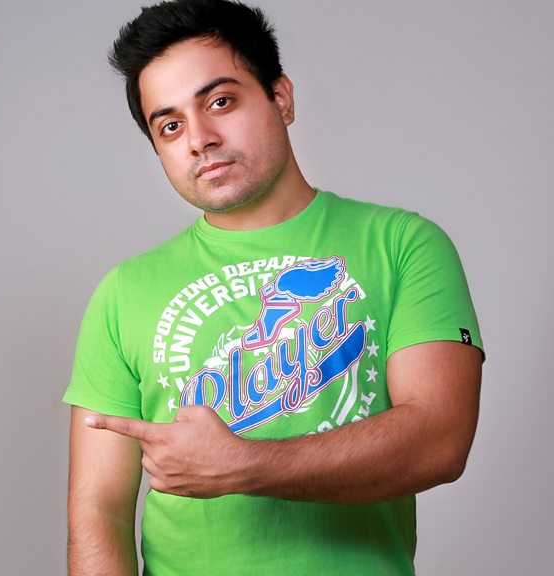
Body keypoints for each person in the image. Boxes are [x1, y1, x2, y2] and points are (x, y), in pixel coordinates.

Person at [63, 1, 484, 574]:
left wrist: (242, 464)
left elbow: (440, 440)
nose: (199, 139)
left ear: (280, 98)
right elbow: (99, 511)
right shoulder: (123, 292)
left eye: (220, 101)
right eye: (171, 125)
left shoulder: (403, 244)